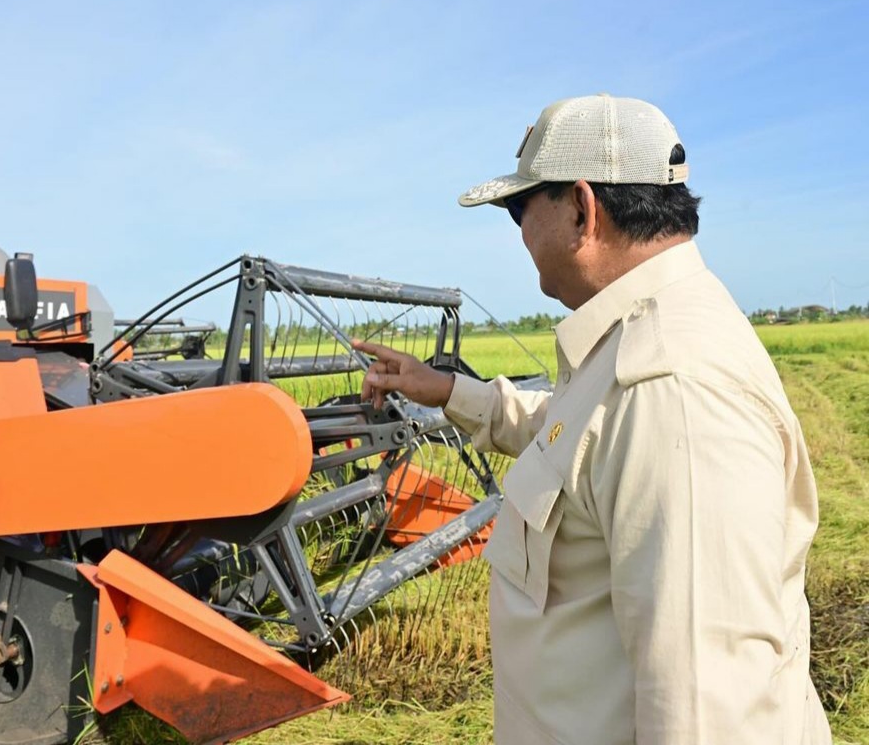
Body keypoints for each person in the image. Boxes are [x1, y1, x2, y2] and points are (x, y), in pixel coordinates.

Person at [353, 94, 832, 744]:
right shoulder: (635, 347)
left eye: (521, 209)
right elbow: (575, 436)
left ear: (581, 208)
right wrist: (445, 390)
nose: (519, 233)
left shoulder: (673, 393)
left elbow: (705, 712)